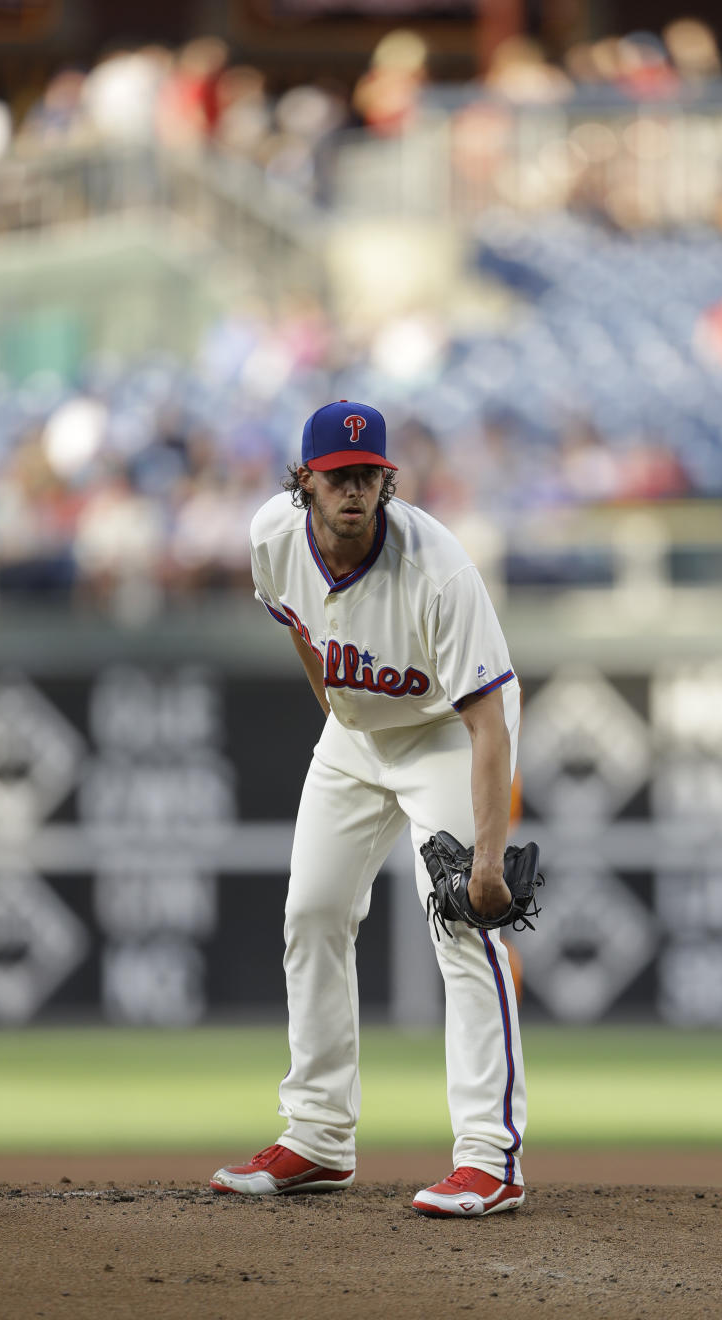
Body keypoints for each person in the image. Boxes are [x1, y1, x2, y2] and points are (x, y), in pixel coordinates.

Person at [211, 401, 526, 1218]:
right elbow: (298, 629)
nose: (354, 488)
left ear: (385, 480)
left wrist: (487, 860)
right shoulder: (272, 540)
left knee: (462, 926)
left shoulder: (438, 568)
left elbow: (487, 722)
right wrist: (337, 715)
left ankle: (490, 1158)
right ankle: (317, 1138)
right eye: (338, 475)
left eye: (368, 475)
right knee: (311, 911)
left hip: (447, 735)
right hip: (354, 734)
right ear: (306, 482)